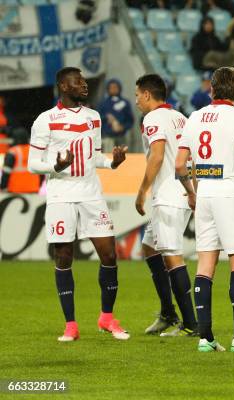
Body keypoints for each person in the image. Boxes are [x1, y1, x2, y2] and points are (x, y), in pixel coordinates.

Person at [28, 67, 129, 342]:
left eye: (84, 81)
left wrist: (112, 163)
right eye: (78, 81)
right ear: (63, 85)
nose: (84, 85)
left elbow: (95, 157)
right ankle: (70, 325)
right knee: (64, 256)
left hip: (91, 193)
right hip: (61, 195)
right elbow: (32, 164)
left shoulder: (93, 117)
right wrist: (56, 166)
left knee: (109, 254)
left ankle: (106, 317)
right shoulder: (45, 120)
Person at [175, 66, 234, 353]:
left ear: (211, 89)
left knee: (206, 264)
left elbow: (180, 164)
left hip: (205, 192)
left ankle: (206, 338)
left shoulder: (194, 117)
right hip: (231, 191)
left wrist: (192, 193)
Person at [133, 74, 199, 337]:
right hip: (180, 191)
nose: (136, 100)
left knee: (172, 257)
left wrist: (141, 191)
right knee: (150, 248)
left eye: (138, 95)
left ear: (147, 94)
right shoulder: (181, 117)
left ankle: (191, 325)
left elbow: (157, 155)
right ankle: (168, 313)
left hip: (170, 195)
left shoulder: (153, 118)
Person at [98, 79, 134, 152]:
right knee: (109, 156)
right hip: (108, 136)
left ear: (119, 88)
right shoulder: (103, 103)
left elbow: (130, 120)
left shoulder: (125, 102)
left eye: (115, 87)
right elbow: (97, 118)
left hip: (122, 136)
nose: (113, 89)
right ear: (108, 89)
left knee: (124, 156)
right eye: (111, 87)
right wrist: (106, 117)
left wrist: (123, 127)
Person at [0, 127, 41, 193]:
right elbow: (41, 173)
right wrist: (38, 185)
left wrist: (3, 187)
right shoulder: (34, 151)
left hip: (16, 190)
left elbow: (6, 172)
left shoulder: (13, 152)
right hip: (33, 189)